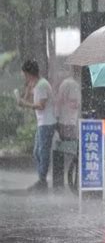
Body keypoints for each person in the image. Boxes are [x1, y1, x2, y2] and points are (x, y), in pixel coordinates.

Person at [17, 59, 57, 192]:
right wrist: (28, 90)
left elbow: (40, 105)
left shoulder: (41, 85)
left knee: (42, 152)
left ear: (29, 73)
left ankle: (42, 180)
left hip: (47, 123)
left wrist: (25, 104)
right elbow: (30, 100)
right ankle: (42, 179)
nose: (24, 76)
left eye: (25, 74)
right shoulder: (37, 85)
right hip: (42, 123)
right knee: (37, 152)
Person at [55, 65, 81, 141]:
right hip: (70, 122)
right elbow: (74, 102)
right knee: (70, 144)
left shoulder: (65, 83)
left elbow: (59, 101)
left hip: (63, 120)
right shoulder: (73, 84)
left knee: (64, 143)